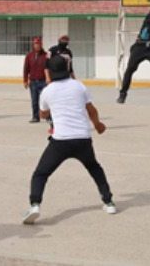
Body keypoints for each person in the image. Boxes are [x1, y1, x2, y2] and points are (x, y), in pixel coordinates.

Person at [22, 54, 115, 225]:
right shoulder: (79, 86)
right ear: (66, 68)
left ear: (49, 71)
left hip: (61, 141)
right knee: (94, 167)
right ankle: (108, 202)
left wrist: (51, 110)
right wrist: (98, 125)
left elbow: (43, 114)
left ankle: (35, 204)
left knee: (41, 173)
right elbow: (91, 110)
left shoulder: (47, 91)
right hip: (83, 139)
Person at [23, 37, 48, 124]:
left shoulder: (46, 55)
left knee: (46, 100)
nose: (38, 46)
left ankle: (48, 116)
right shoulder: (29, 56)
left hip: (43, 81)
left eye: (39, 44)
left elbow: (48, 68)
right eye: (36, 44)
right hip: (33, 82)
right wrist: (25, 80)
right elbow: (26, 68)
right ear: (33, 45)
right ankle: (35, 117)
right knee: (34, 100)